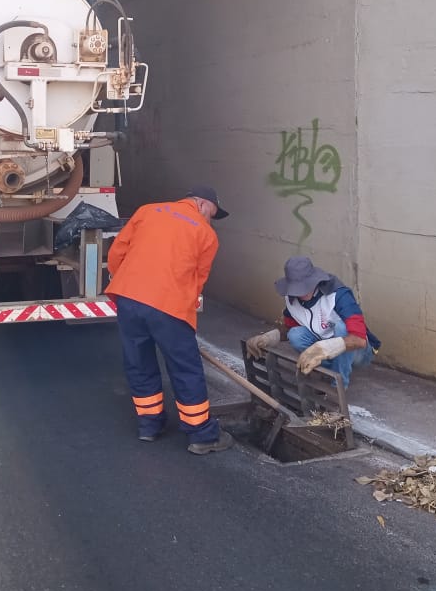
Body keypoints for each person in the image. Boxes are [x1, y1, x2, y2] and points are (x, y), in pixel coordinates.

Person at [105, 185, 235, 455]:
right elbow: (198, 280)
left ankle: (149, 425)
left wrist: (127, 284)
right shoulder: (205, 234)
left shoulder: (147, 211)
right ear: (200, 203)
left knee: (138, 362)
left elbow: (117, 253)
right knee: (185, 367)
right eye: (212, 212)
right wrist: (183, 307)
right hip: (168, 305)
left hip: (128, 298)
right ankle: (202, 434)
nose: (211, 219)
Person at [247, 256, 379, 386]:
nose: (301, 292)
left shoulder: (338, 294)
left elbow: (359, 340)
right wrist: (269, 337)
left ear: (315, 280)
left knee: (341, 328)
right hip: (325, 343)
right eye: (297, 288)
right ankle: (330, 371)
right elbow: (289, 328)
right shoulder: (292, 300)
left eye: (305, 286)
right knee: (295, 335)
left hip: (360, 353)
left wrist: (325, 348)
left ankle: (337, 386)